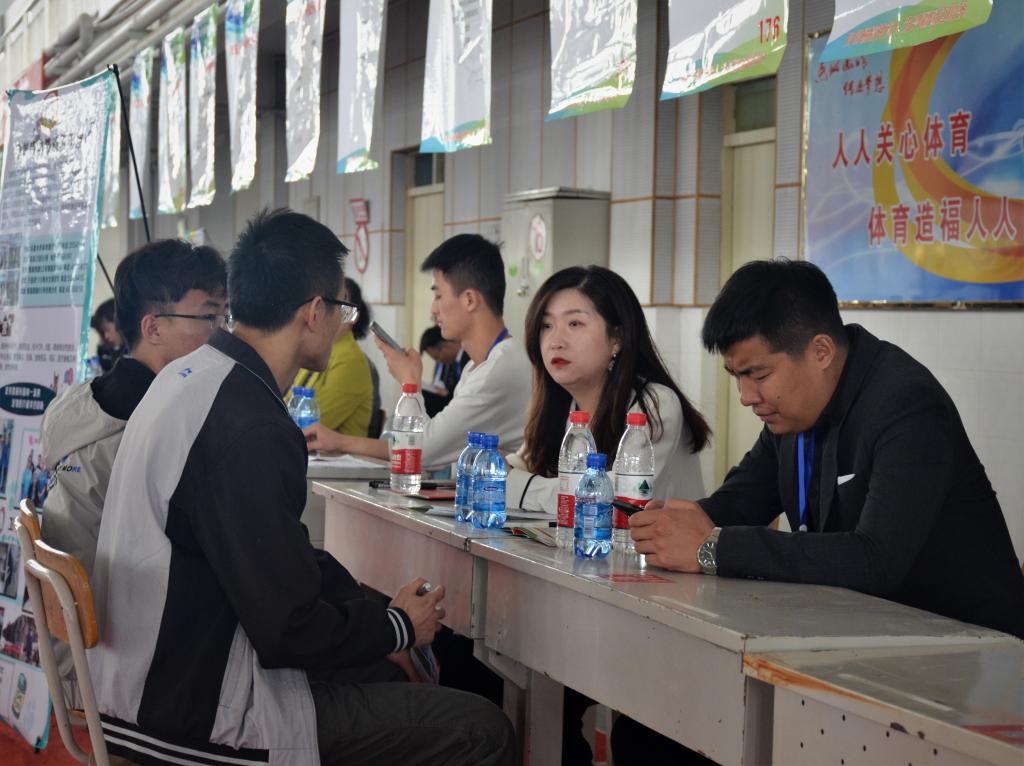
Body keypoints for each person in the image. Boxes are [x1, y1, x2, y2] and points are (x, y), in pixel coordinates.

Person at [89, 209, 514, 766]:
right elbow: (286, 630)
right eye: (341, 310)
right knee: (482, 728)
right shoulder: (249, 424)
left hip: (151, 680)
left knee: (389, 672)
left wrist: (379, 621)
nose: (342, 324)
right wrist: (397, 627)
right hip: (196, 712)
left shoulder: (193, 377)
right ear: (315, 312)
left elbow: (278, 559)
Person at [630, 259, 1024, 640]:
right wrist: (674, 525)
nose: (746, 396)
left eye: (758, 375)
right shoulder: (793, 411)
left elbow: (874, 560)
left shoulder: (906, 405)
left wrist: (714, 548)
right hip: (868, 630)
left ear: (821, 351)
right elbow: (742, 501)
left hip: (973, 647)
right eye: (736, 376)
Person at [505, 266, 711, 765]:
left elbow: (607, 501)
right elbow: (510, 476)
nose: (556, 339)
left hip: (669, 604)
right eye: (547, 325)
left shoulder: (653, 405)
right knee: (519, 678)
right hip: (597, 588)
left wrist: (525, 487)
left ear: (617, 337)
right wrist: (520, 483)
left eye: (575, 323)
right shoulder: (562, 410)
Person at [40, 239, 228, 577]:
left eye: (225, 316)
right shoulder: (155, 423)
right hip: (120, 598)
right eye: (209, 316)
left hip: (79, 595)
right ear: (152, 328)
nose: (224, 332)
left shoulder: (77, 403)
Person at [305, 233, 531, 470]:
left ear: (469, 300)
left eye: (438, 295)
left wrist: (410, 383)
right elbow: (425, 447)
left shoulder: (498, 369)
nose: (433, 309)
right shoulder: (479, 365)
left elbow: (419, 451)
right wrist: (340, 442)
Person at [293, 277, 381, 436]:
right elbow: (289, 401)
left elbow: (313, 423)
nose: (329, 313)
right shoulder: (317, 350)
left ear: (353, 316)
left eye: (340, 305)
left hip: (330, 452)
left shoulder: (352, 363)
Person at [418, 325, 467, 416]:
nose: (439, 362)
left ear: (446, 345)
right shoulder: (454, 363)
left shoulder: (468, 358)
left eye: (437, 357)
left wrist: (447, 394)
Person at [89, 298, 124, 373]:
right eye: (103, 332)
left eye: (107, 330)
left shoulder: (133, 354)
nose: (106, 336)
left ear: (118, 322)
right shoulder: (104, 350)